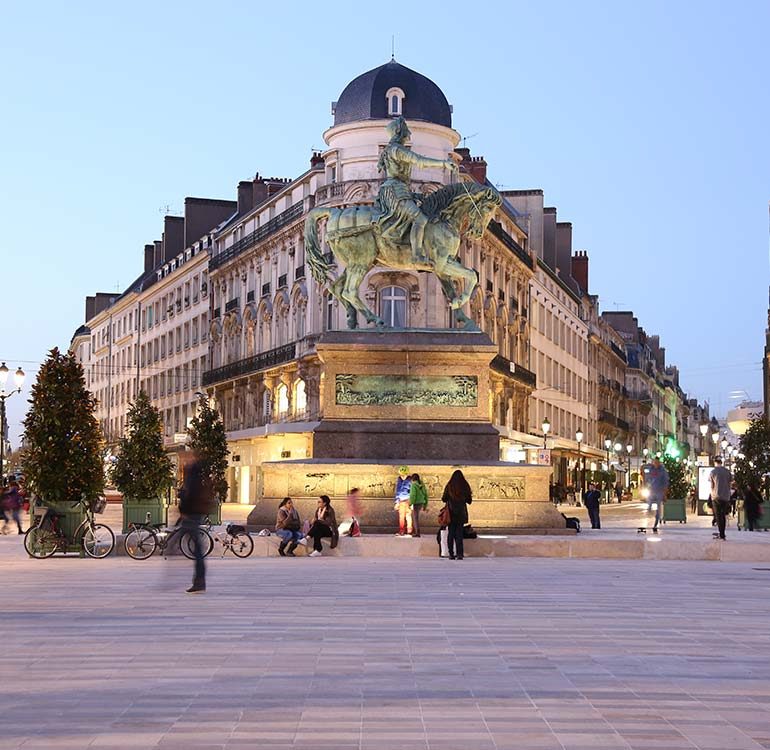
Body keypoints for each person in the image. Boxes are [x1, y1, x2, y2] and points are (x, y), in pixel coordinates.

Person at [374, 116, 457, 266]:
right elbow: (419, 161)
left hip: (398, 190)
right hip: (395, 192)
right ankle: (417, 255)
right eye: (406, 131)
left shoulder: (390, 149)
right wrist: (443, 164)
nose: (409, 134)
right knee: (421, 219)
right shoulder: (397, 150)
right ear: (399, 132)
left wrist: (414, 195)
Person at [178, 454, 212, 593]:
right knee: (196, 548)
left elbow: (190, 494)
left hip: (191, 514)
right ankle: (199, 580)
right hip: (194, 513)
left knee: (196, 549)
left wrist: (183, 510)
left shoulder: (193, 474)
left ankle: (199, 581)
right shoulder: (196, 473)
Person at [441, 469, 472, 560]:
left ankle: (451, 553)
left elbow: (444, 498)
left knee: (451, 533)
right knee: (459, 534)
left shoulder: (449, 485)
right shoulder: (465, 485)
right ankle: (459, 554)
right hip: (461, 513)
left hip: (451, 513)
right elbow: (469, 500)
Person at [642, 456, 669, 534]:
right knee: (650, 500)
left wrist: (665, 492)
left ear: (659, 462)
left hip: (659, 491)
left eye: (657, 462)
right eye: (655, 462)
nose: (656, 464)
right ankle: (649, 508)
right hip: (652, 490)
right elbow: (647, 478)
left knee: (658, 508)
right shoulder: (651, 469)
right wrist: (646, 484)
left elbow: (665, 481)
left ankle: (656, 524)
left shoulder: (662, 470)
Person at [709, 457, 732, 540]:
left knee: (718, 515)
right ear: (721, 463)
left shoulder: (713, 472)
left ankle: (721, 533)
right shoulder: (727, 471)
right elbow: (730, 483)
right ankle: (722, 533)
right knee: (723, 515)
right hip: (726, 496)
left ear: (715, 463)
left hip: (716, 496)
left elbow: (712, 485)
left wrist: (712, 494)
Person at [394, 466, 412, 536]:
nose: (402, 476)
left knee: (408, 516)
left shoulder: (410, 481)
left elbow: (412, 491)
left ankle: (409, 530)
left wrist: (412, 502)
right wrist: (397, 502)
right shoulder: (399, 480)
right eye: (401, 475)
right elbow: (398, 491)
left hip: (408, 500)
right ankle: (401, 531)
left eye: (404, 475)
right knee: (401, 517)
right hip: (401, 500)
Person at [409, 473, 428, 537]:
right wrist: (425, 505)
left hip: (416, 503)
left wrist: (410, 503)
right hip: (422, 502)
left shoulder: (413, 485)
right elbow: (426, 494)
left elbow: (413, 495)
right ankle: (417, 531)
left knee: (415, 518)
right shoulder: (422, 484)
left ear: (412, 479)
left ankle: (417, 532)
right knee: (416, 517)